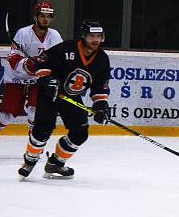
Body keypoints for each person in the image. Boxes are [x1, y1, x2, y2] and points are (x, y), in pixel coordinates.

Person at [17, 20, 111, 180]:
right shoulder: (67, 48)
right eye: (91, 36)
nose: (95, 40)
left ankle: (56, 163)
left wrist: (101, 106)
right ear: (84, 36)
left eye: (98, 36)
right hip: (51, 93)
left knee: (80, 133)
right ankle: (29, 161)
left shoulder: (102, 59)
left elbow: (99, 88)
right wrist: (46, 80)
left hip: (71, 97)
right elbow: (42, 62)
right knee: (43, 128)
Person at [0, 1, 63, 140]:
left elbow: (60, 58)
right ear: (35, 17)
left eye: (49, 16)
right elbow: (13, 59)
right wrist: (28, 65)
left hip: (39, 79)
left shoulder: (54, 35)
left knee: (35, 111)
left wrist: (47, 68)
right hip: (17, 77)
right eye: (42, 15)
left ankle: (33, 141)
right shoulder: (23, 33)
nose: (46, 19)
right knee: (7, 116)